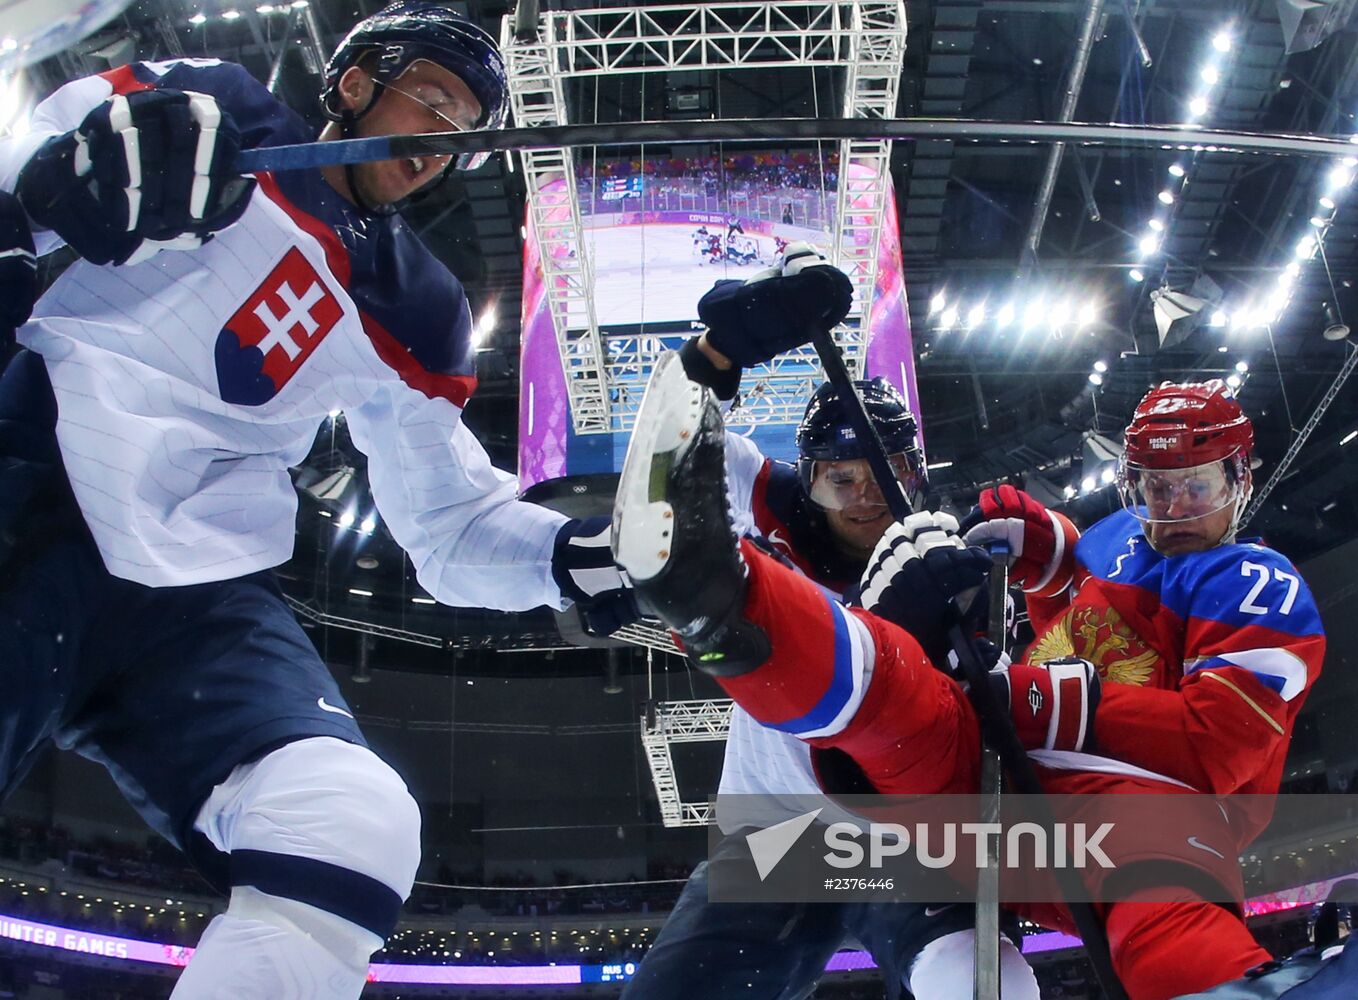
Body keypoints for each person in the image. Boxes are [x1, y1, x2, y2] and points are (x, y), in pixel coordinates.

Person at [0, 4, 650, 996]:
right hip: (36, 480)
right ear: (353, 82)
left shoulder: (422, 309)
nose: (441, 141)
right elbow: (36, 149)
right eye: (432, 99)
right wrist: (61, 169)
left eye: (466, 130)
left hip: (196, 591)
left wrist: (570, 556)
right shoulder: (221, 108)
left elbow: (450, 526)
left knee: (347, 821)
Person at [613, 369, 1326, 1000]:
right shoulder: (1114, 538)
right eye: (1153, 487)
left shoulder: (1254, 581)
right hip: (920, 799)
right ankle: (716, 602)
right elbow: (1078, 618)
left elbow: (1218, 741)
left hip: (1120, 808)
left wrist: (1025, 694)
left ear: (1240, 480)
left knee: (1126, 922)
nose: (1171, 510)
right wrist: (1048, 556)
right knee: (900, 697)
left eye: (1196, 486)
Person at [621, 357, 1039, 999]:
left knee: (986, 983)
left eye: (887, 473)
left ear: (916, 474)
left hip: (904, 840)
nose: (865, 497)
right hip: (778, 833)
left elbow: (979, 729)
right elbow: (676, 440)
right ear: (809, 479)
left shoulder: (955, 569)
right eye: (841, 479)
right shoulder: (770, 509)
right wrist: (716, 354)